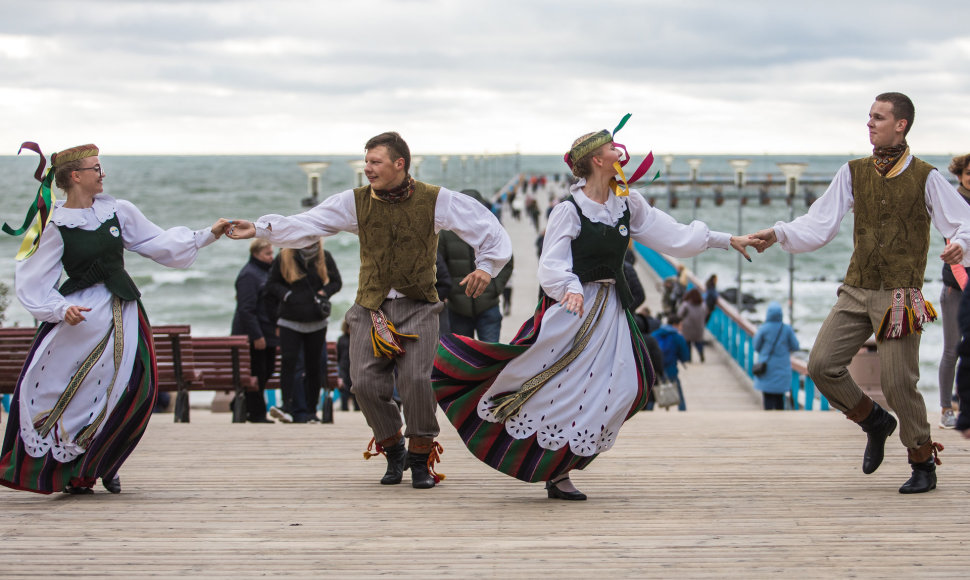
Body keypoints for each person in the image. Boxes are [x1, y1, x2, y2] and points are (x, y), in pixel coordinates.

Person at [431, 120, 760, 500]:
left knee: (627, 386)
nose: (618, 153)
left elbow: (673, 234)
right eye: (611, 150)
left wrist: (726, 239)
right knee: (559, 385)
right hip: (572, 310)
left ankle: (566, 460)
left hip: (611, 311)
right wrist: (569, 289)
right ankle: (558, 472)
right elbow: (551, 263)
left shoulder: (626, 203)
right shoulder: (568, 210)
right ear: (596, 161)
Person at [226, 131, 511, 489]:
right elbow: (308, 223)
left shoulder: (435, 200)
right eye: (366, 162)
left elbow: (486, 226)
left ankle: (420, 458)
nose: (368, 168)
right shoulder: (354, 201)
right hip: (371, 307)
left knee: (418, 381)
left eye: (375, 162)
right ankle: (393, 450)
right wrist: (260, 228)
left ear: (399, 163)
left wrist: (486, 267)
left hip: (419, 305)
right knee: (362, 383)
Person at [750, 93, 970, 494]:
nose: (870, 123)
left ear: (901, 124)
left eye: (879, 117)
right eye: (869, 116)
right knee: (820, 364)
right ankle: (874, 421)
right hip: (856, 288)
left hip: (901, 296)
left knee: (898, 382)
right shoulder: (853, 172)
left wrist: (960, 245)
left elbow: (961, 222)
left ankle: (922, 460)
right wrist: (779, 233)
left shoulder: (927, 176)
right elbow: (820, 223)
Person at [0, 143, 228, 495]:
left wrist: (205, 235)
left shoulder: (118, 211)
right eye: (96, 169)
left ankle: (105, 463)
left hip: (124, 311)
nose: (102, 174)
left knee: (138, 388)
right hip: (82, 320)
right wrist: (61, 309)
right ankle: (78, 471)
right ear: (76, 176)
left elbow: (157, 242)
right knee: (72, 393)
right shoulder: (53, 223)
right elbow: (33, 281)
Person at [263, 240, 341, 424]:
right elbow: (271, 285)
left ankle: (311, 411)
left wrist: (324, 293)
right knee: (290, 365)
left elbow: (336, 282)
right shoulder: (285, 255)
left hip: (316, 322)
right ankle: (289, 408)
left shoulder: (324, 255)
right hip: (290, 321)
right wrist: (287, 295)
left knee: (314, 367)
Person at [439, 189, 514, 342]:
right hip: (457, 309)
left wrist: (495, 288)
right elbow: (439, 266)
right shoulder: (445, 234)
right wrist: (450, 292)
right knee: (462, 359)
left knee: (490, 358)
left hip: (488, 306)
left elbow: (508, 261)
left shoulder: (493, 230)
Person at [937, 153, 970, 428]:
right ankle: (946, 408)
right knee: (952, 350)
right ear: (960, 175)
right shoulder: (955, 204)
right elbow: (953, 251)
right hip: (955, 289)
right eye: (969, 172)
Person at [231, 239, 278, 423]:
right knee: (257, 373)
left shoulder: (266, 273)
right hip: (252, 334)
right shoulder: (249, 275)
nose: (271, 257)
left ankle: (239, 404)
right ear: (256, 254)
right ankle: (257, 414)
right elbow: (246, 309)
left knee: (267, 370)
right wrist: (256, 335)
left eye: (272, 253)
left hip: (268, 331)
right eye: (267, 254)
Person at [752, 301, 800, 410]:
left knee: (768, 396)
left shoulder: (763, 328)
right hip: (782, 368)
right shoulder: (786, 329)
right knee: (779, 398)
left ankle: (768, 418)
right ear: (780, 314)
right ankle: (780, 419)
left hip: (766, 367)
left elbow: (756, 346)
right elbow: (795, 346)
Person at [651, 314, 691, 411]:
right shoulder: (677, 337)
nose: (681, 327)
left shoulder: (655, 334)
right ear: (675, 324)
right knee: (679, 393)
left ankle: (648, 411)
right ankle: (682, 412)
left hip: (655, 369)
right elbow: (685, 356)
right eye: (680, 325)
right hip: (671, 369)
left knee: (651, 395)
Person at [677, 287, 708, 362]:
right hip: (699, 327)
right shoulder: (703, 305)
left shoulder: (686, 304)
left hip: (687, 327)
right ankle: (701, 354)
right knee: (698, 342)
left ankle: (689, 358)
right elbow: (706, 313)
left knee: (687, 343)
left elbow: (679, 314)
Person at [335, 318, 359, 412]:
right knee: (344, 389)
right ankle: (344, 409)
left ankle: (357, 409)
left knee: (356, 390)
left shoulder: (358, 338)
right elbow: (338, 355)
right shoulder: (341, 339)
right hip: (344, 367)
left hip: (355, 366)